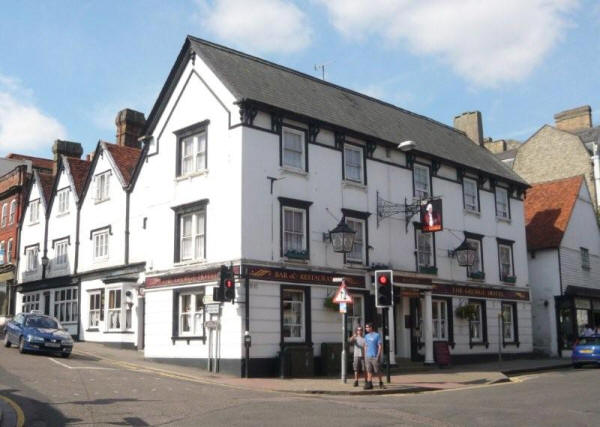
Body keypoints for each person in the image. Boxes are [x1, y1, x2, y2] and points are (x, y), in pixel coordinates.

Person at [363, 322, 384, 390]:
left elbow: (380, 346)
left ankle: (381, 383)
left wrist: (378, 355)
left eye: (367, 327)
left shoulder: (377, 335)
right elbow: (366, 345)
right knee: (369, 370)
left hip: (375, 356)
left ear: (371, 328)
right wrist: (365, 354)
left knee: (377, 370)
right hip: (368, 356)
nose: (366, 328)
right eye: (366, 327)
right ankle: (369, 383)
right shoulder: (366, 336)